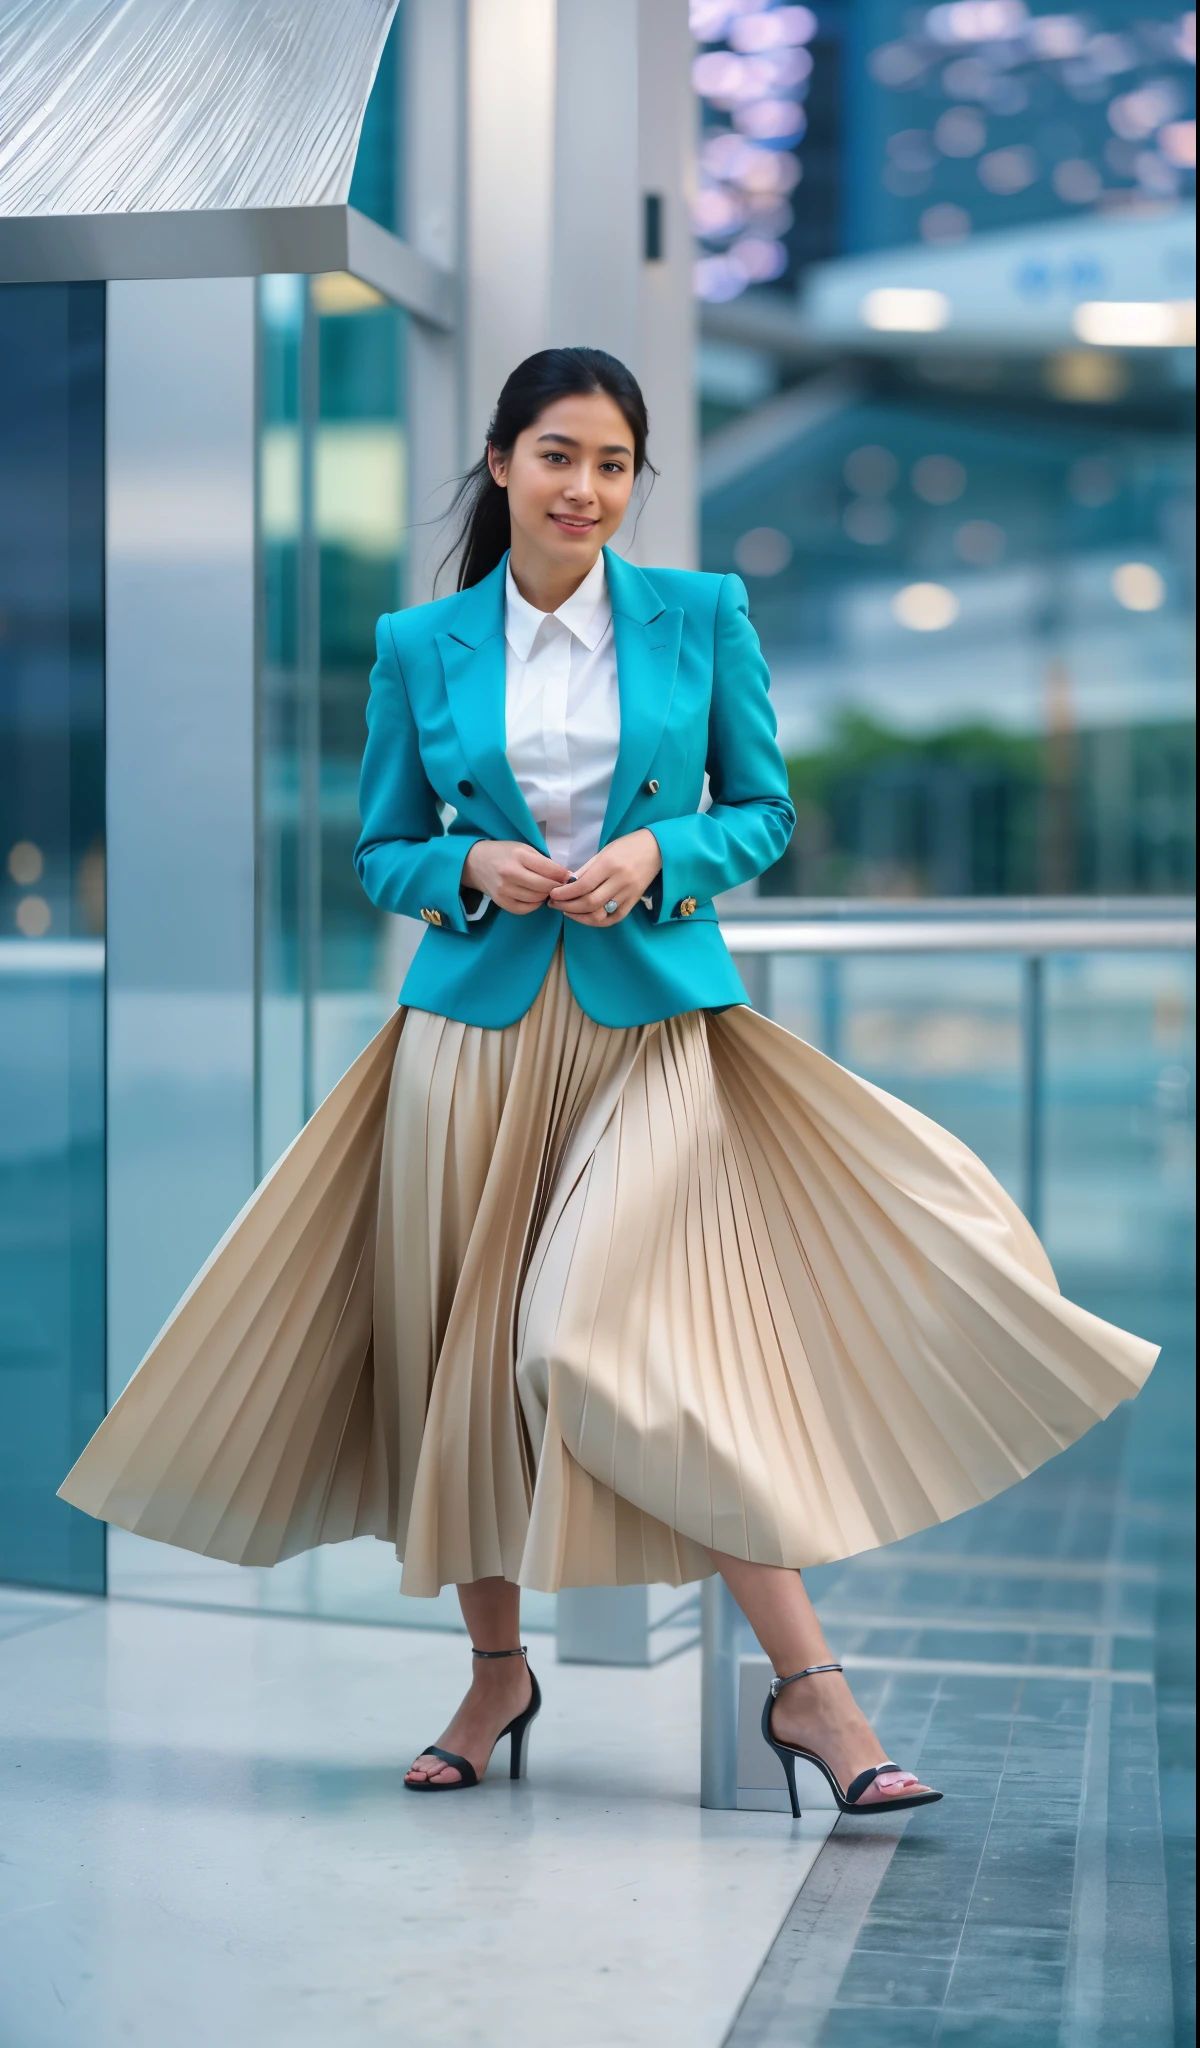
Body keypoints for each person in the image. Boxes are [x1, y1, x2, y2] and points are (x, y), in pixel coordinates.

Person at [60, 347, 1157, 1817]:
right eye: (561, 456)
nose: (589, 488)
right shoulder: (418, 642)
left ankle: (809, 1687)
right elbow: (381, 846)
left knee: (610, 1348)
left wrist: (657, 857)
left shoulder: (705, 618)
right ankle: (498, 1672)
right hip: (471, 1045)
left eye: (616, 464)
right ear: (503, 463)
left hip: (653, 1039)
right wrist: (465, 868)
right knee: (462, 1368)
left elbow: (761, 811)